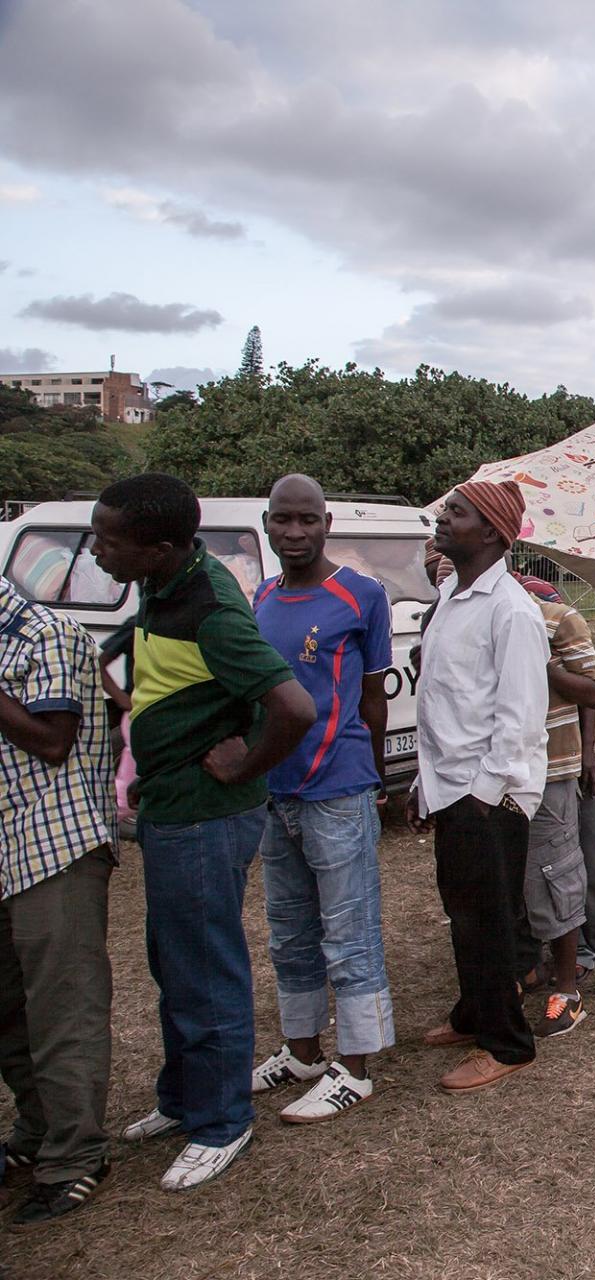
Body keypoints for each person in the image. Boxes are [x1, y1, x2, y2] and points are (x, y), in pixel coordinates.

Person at [90, 474, 317, 1188]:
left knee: (205, 966)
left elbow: (294, 707)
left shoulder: (213, 606)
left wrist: (244, 763)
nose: (97, 551)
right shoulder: (163, 586)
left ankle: (222, 1122)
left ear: (157, 546)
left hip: (206, 816)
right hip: (168, 809)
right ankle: (183, 1098)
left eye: (108, 540)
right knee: (172, 961)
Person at [247, 475, 396, 1124]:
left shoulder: (362, 596)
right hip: (274, 793)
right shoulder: (259, 598)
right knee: (289, 932)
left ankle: (356, 1067)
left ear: (328, 522)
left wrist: (378, 774)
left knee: (349, 931)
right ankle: (302, 1051)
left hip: (337, 789)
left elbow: (372, 697)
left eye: (308, 520)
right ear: (268, 523)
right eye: (284, 520)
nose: (296, 533)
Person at [409, 481, 549, 1094]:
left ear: (492, 532)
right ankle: (473, 1014)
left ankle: (507, 1043)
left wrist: (481, 795)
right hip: (450, 784)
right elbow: (441, 699)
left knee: (488, 918)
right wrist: (428, 782)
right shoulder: (453, 595)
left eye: (457, 512)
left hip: (487, 793)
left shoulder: (511, 610)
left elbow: (519, 718)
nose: (444, 517)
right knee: (462, 910)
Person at [0, 573, 116, 1224]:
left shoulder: (51, 636)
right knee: (8, 1009)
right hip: (4, 844)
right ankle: (38, 1130)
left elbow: (52, 740)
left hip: (54, 845)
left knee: (61, 1009)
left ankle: (75, 1156)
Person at [512, 574, 595, 1036]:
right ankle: (520, 973)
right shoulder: (471, 616)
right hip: (490, 773)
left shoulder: (556, 618)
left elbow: (592, 690)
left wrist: (544, 667)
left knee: (556, 874)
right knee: (506, 880)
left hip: (548, 770)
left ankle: (567, 991)